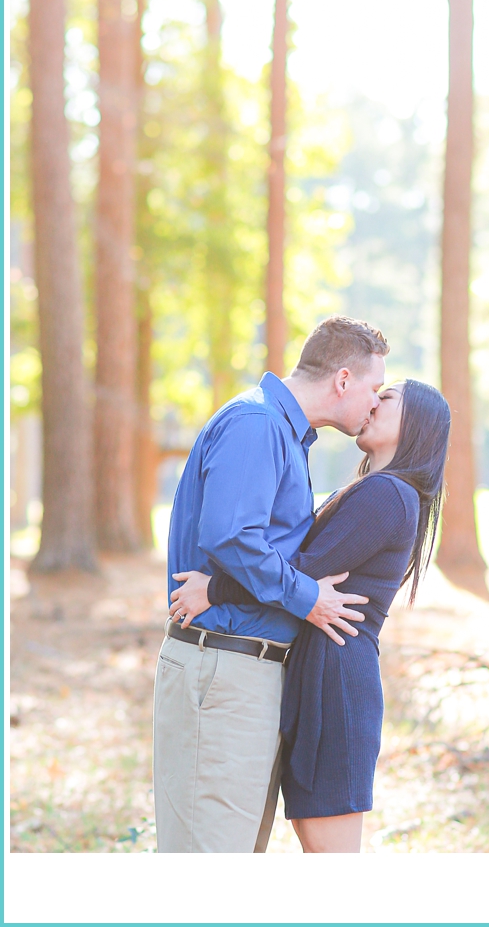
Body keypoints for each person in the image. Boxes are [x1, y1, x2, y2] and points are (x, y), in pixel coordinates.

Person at [170, 378, 451, 851]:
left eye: (389, 398)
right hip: (320, 678)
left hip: (336, 688)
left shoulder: (388, 495)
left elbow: (303, 571)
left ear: (416, 424)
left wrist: (214, 589)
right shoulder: (374, 489)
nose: (374, 403)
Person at [153, 315, 388, 853]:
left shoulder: (281, 431)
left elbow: (259, 550)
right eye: (374, 389)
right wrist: (309, 599)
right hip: (222, 670)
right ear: (343, 379)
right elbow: (231, 537)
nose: (375, 403)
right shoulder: (257, 424)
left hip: (246, 674)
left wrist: (223, 589)